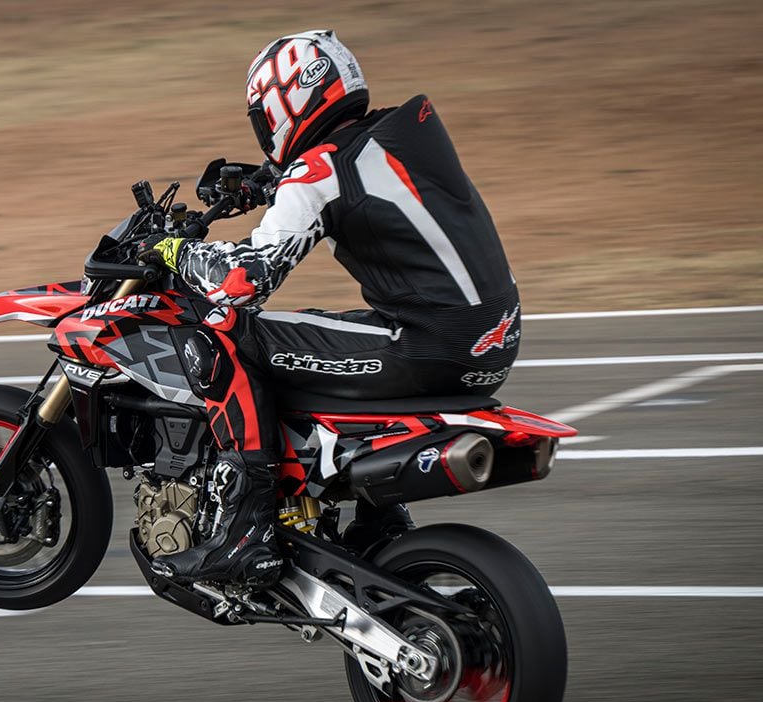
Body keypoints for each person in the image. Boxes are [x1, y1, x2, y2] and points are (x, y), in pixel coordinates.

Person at [139, 29, 521, 588]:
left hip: (426, 345)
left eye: (262, 116)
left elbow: (243, 281)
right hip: (493, 339)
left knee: (220, 331)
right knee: (317, 326)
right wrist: (271, 183)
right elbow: (355, 178)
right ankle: (378, 523)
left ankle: (245, 531)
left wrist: (174, 250)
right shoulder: (402, 135)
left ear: (287, 101)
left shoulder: (319, 173)